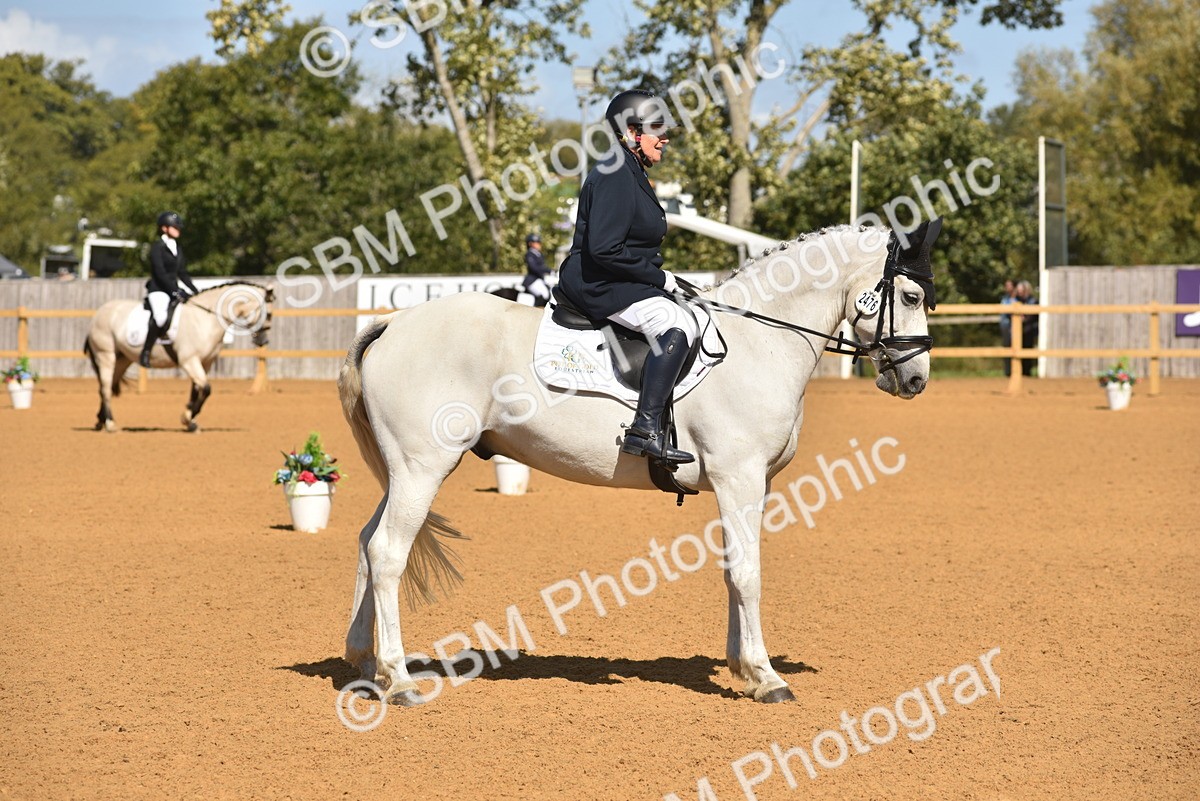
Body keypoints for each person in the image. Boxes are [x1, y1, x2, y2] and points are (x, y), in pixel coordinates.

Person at [557, 89, 700, 466]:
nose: (665, 138)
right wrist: (661, 279)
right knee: (677, 326)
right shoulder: (615, 173)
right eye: (658, 130)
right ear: (632, 132)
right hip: (599, 283)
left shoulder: (630, 169)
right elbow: (604, 249)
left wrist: (661, 279)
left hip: (621, 279)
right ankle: (645, 428)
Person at [140, 211, 198, 367]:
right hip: (158, 289)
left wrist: (195, 291)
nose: (178, 229)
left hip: (172, 289)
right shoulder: (157, 247)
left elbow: (183, 273)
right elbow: (160, 273)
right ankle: (145, 352)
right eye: (175, 227)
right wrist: (175, 291)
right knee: (160, 318)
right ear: (164, 228)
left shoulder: (177, 248)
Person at [1013, 280, 1039, 376]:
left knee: (1027, 350)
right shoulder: (1017, 300)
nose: (1019, 292)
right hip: (1018, 329)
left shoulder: (1033, 301)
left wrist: (1024, 318)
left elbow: (1033, 316)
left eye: (1021, 290)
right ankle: (1018, 372)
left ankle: (1027, 372)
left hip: (1029, 329)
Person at [521, 233, 551, 307]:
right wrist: (548, 271)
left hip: (539, 279)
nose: (539, 244)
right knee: (544, 294)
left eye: (539, 242)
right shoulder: (530, 254)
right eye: (537, 242)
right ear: (530, 243)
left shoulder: (538, 254)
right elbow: (534, 267)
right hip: (532, 280)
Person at [999, 279, 1015, 376]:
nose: (1007, 288)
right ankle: (1008, 372)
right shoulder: (1005, 299)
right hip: (1006, 326)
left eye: (1009, 285)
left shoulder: (1018, 299)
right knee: (1007, 348)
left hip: (1016, 327)